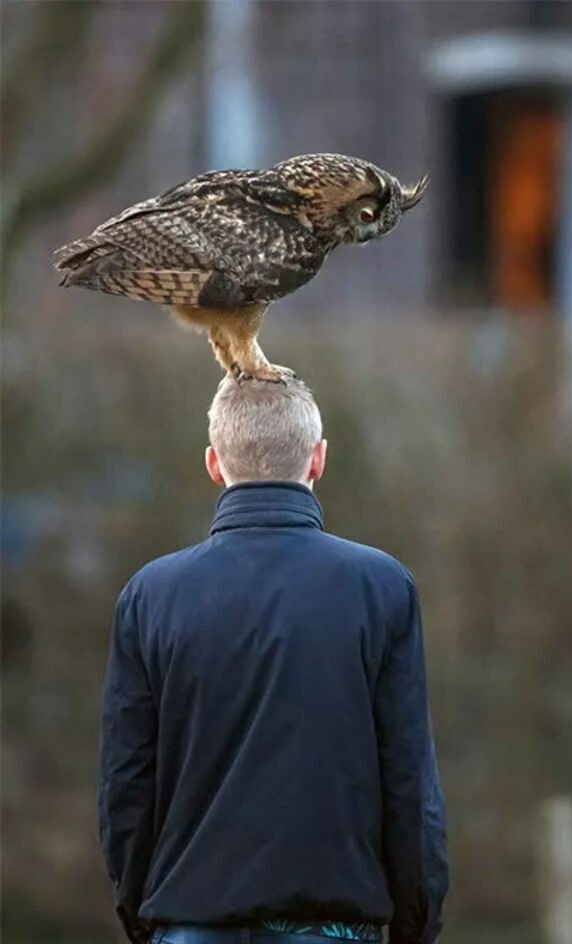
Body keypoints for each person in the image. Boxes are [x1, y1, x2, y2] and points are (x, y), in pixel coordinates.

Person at [98, 377, 449, 944]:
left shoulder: (150, 596)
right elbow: (408, 782)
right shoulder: (379, 587)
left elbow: (126, 786)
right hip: (335, 929)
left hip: (190, 923)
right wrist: (416, 924)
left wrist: (147, 919)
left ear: (214, 464)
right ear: (318, 459)